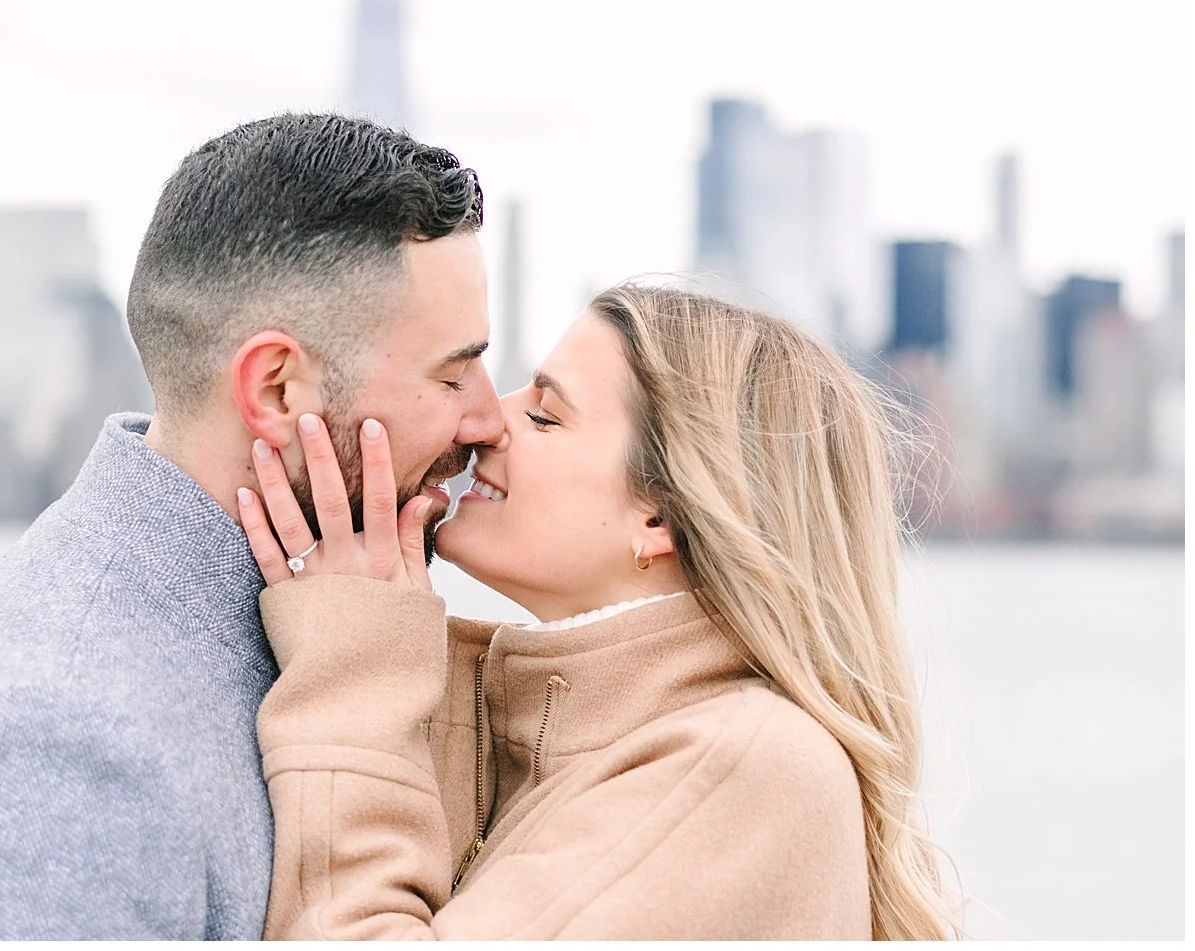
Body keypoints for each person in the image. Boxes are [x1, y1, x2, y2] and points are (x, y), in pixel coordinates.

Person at [0, 113, 505, 940]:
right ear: (278, 391)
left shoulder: (281, 623)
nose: (490, 419)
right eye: (454, 374)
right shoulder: (49, 750)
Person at [239, 281, 960, 940]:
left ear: (660, 516)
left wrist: (356, 669)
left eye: (545, 415)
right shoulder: (574, 728)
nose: (485, 421)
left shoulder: (745, 770)